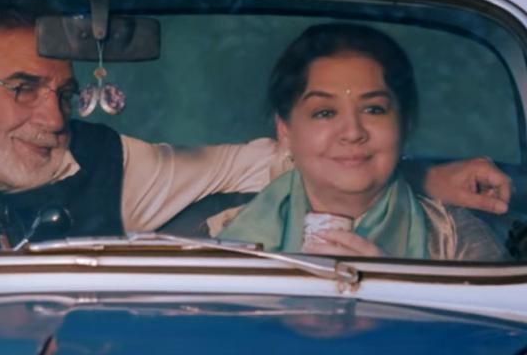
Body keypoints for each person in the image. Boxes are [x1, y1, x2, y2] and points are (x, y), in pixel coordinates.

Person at [0, 0, 511, 250]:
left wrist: (424, 175)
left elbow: (286, 156)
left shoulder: (110, 163)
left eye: (64, 92)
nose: (53, 118)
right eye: (24, 88)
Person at [217, 23, 507, 260]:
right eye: (325, 112)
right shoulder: (228, 234)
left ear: (405, 124)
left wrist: (391, 288)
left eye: (374, 110)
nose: (353, 132)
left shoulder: (457, 242)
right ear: (285, 130)